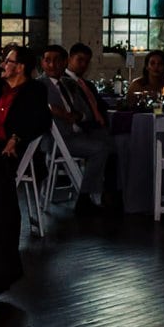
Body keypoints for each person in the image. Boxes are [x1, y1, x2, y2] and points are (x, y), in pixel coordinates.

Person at [38, 44, 112, 207]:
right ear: (42, 63)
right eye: (47, 60)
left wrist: (78, 115)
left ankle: (109, 192)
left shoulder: (68, 84)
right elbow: (42, 108)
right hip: (59, 139)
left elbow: (86, 112)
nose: (51, 65)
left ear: (65, 63)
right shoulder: (39, 86)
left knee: (111, 141)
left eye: (57, 60)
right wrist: (62, 113)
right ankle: (86, 196)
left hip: (78, 132)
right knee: (100, 148)